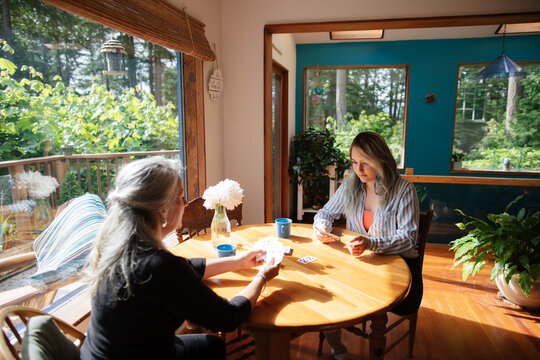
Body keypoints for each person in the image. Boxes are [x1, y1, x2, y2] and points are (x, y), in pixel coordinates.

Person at [80, 157, 280, 360]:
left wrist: (240, 261)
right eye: (181, 197)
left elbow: (186, 267)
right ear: (163, 209)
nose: (185, 203)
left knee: (211, 345)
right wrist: (262, 277)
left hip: (100, 353)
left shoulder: (116, 246)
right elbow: (228, 318)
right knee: (212, 345)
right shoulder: (158, 266)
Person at [313, 131, 420, 360]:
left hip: (397, 270)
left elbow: (409, 238)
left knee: (347, 296)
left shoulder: (404, 190)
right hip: (360, 266)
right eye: (354, 163)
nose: (358, 170)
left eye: (365, 163)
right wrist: (321, 226)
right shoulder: (352, 185)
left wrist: (371, 242)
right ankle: (339, 350)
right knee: (322, 291)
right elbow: (325, 212)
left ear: (381, 159)